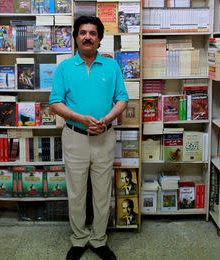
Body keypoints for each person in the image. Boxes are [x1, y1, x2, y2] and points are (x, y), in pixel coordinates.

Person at [50, 16, 128, 260]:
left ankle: (98, 239)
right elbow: (55, 103)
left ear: (99, 39)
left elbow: (123, 99)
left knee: (103, 191)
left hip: (104, 137)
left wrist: (106, 118)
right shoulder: (64, 67)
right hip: (75, 138)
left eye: (92, 33)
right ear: (75, 37)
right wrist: (80, 118)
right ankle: (79, 239)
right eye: (82, 32)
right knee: (76, 192)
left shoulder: (111, 67)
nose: (87, 37)